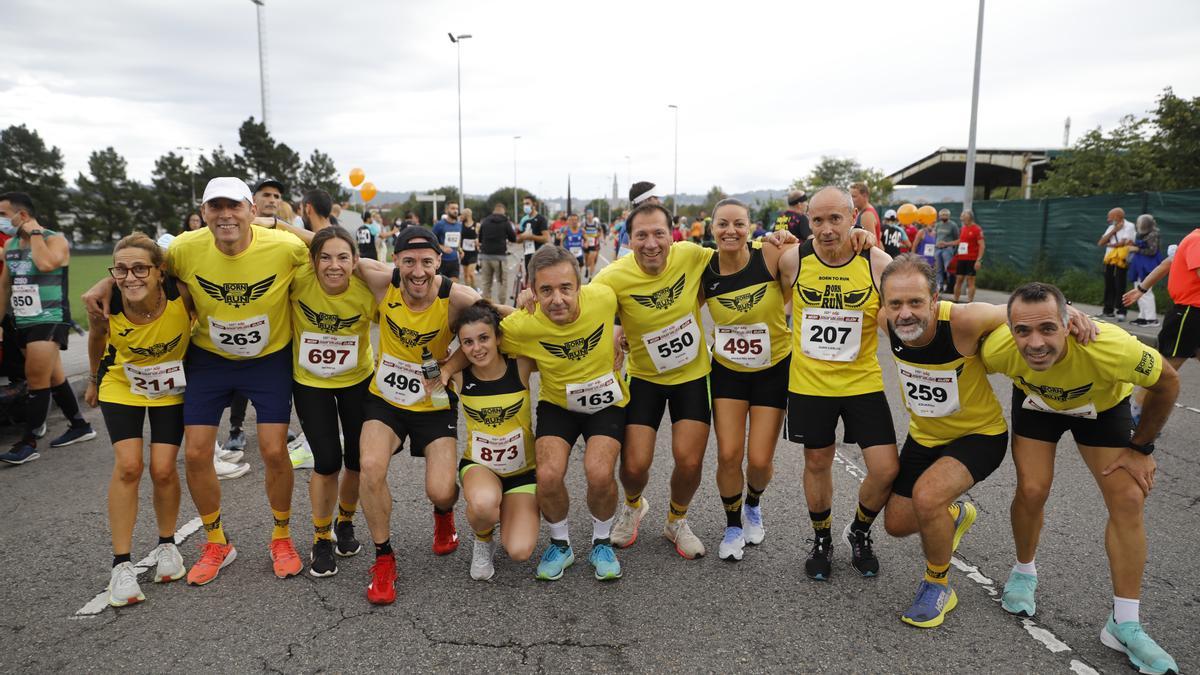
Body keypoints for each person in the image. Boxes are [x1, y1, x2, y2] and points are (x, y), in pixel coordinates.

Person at [83, 177, 315, 586]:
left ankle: (281, 535)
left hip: (267, 360)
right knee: (195, 454)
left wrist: (283, 226)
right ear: (204, 213)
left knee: (275, 450)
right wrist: (107, 281)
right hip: (210, 359)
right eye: (215, 207)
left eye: (234, 206)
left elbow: (331, 247)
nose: (225, 215)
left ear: (251, 210)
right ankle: (216, 540)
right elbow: (141, 268)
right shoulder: (186, 248)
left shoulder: (282, 246)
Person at [983, 282, 1180, 675]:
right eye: (1023, 331)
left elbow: (1168, 382)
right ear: (1010, 329)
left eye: (1047, 329)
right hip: (1037, 406)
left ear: (1068, 323)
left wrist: (1141, 448)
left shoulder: (1112, 346)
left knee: (1128, 498)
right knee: (1032, 488)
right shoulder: (998, 349)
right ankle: (1024, 572)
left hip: (1102, 408)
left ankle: (1124, 623)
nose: (1035, 342)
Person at [877, 254, 1008, 627]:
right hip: (925, 436)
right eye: (895, 303)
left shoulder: (965, 320)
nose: (905, 314)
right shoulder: (885, 321)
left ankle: (938, 585)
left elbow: (1022, 311)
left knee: (927, 497)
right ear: (884, 304)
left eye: (916, 302)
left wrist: (1070, 314)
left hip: (979, 435)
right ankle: (956, 515)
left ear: (935, 299)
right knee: (897, 525)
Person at [354, 226, 483, 605]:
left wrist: (449, 365)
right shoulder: (380, 281)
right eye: (408, 261)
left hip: (434, 402)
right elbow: (327, 245)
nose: (418, 271)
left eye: (426, 261)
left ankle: (444, 515)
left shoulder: (458, 298)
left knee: (441, 490)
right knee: (370, 466)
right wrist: (274, 225)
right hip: (387, 400)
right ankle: (383, 558)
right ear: (395, 261)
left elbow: (492, 330)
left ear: (439, 262)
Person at [777, 186, 896, 580]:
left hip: (862, 381)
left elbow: (902, 312)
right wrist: (772, 238)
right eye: (818, 220)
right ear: (808, 221)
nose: (827, 229)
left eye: (835, 219)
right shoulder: (792, 259)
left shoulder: (877, 262)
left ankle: (859, 531)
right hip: (810, 384)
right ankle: (822, 537)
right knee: (816, 461)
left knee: (884, 470)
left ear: (853, 218)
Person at [501, 246, 628, 580]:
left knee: (600, 473)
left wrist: (622, 333)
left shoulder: (603, 297)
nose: (557, 299)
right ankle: (561, 545)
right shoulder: (523, 324)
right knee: (547, 475)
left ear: (579, 285)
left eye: (565, 288)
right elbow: (484, 334)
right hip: (558, 404)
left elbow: (637, 305)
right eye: (546, 290)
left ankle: (602, 542)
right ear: (532, 290)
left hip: (606, 402)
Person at [84, 233, 193, 605]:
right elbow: (97, 339)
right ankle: (121, 565)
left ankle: (167, 545)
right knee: (129, 466)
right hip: (121, 383)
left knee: (163, 469)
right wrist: (93, 378)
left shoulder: (182, 294)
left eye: (140, 268)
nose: (130, 277)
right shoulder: (105, 301)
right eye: (121, 269)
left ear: (159, 271)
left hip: (170, 385)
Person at [702, 199, 792, 561]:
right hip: (728, 372)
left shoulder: (770, 254)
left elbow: (814, 259)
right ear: (712, 229)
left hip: (773, 368)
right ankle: (733, 524)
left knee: (758, 461)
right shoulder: (704, 269)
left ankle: (753, 502)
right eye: (723, 224)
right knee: (728, 454)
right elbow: (675, 311)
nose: (731, 231)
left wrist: (790, 238)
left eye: (739, 224)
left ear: (751, 227)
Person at [289, 227, 377, 577]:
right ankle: (321, 536)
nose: (334, 265)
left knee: (356, 458)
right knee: (326, 461)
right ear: (313, 261)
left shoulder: (368, 289)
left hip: (357, 380)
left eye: (343, 257)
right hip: (310, 382)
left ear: (356, 262)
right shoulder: (298, 279)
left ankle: (346, 521)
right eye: (325, 257)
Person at [0, 192, 95, 466]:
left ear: (23, 215)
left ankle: (28, 442)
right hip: (23, 321)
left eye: (4, 215)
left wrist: (36, 234)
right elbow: (5, 287)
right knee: (54, 377)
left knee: (36, 379)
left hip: (50, 318)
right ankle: (80, 426)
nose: (2, 221)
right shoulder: (12, 245)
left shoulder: (55, 239)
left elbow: (45, 264)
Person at [450, 301, 539, 581]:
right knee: (484, 503)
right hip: (480, 466)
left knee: (519, 551)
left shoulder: (521, 365)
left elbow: (539, 330)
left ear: (499, 337)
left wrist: (500, 308)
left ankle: (508, 512)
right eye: (468, 342)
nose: (477, 348)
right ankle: (483, 538)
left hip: (522, 472)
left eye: (484, 338)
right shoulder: (457, 375)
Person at [1098, 207, 1135, 321]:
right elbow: (1101, 242)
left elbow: (1124, 243)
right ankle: (1108, 310)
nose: (1108, 219)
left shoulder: (1129, 226)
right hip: (1110, 259)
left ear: (1117, 216)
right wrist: (1113, 231)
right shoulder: (1111, 227)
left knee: (1120, 284)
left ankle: (1121, 310)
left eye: (1110, 217)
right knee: (1109, 283)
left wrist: (1109, 244)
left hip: (1121, 259)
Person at [1126, 214, 1163, 326]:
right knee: (1138, 290)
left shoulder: (1153, 234)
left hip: (1147, 267)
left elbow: (1152, 251)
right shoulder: (1144, 234)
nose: (1138, 225)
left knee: (1146, 291)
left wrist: (1136, 249)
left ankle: (1151, 318)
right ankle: (1142, 316)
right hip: (1139, 266)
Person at [477, 203, 517, 304]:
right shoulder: (505, 222)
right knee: (502, 282)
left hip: (485, 256)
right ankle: (501, 307)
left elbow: (480, 238)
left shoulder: (485, 221)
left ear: (494, 210)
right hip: (500, 258)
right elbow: (513, 238)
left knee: (486, 283)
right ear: (503, 211)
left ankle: (487, 308)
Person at [951, 210, 985, 303]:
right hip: (961, 258)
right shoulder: (963, 228)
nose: (961, 217)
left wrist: (979, 260)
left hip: (972, 259)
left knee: (970, 280)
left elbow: (982, 245)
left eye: (963, 215)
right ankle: (955, 301)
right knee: (959, 279)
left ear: (969, 217)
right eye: (961, 215)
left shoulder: (977, 229)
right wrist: (946, 243)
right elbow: (960, 241)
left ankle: (970, 302)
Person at [517, 196, 550, 277]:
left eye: (527, 203)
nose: (525, 206)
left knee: (540, 278)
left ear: (534, 204)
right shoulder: (523, 220)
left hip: (540, 254)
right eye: (524, 204)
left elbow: (546, 238)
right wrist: (522, 237)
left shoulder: (541, 219)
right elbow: (518, 239)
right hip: (527, 253)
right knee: (529, 278)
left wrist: (531, 237)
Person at [432, 201, 464, 282]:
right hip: (441, 261)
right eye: (453, 208)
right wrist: (442, 247)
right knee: (440, 286)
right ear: (446, 210)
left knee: (453, 286)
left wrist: (460, 250)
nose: (455, 211)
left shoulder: (459, 225)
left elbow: (457, 242)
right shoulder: (439, 225)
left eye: (457, 208)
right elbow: (431, 240)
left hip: (454, 260)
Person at [933, 209, 960, 293]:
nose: (943, 216)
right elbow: (935, 236)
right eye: (942, 215)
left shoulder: (953, 225)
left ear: (949, 216)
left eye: (945, 215)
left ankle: (950, 286)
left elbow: (957, 238)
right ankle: (939, 286)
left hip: (947, 250)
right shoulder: (938, 225)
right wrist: (936, 243)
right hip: (938, 249)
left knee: (948, 268)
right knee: (938, 269)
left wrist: (947, 244)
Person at [850, 181, 882, 246]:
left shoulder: (867, 215)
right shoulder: (864, 212)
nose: (851, 199)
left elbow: (872, 244)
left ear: (865, 196)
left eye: (854, 196)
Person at [460, 207, 479, 289]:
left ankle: (475, 290)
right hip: (464, 252)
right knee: (465, 274)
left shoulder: (477, 225)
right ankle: (468, 291)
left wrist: (478, 241)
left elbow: (480, 237)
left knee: (471, 273)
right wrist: (459, 249)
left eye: (462, 214)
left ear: (467, 215)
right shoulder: (461, 225)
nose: (461, 216)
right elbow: (459, 238)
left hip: (473, 252)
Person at [583, 210, 602, 280]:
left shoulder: (596, 223)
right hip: (586, 244)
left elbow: (600, 231)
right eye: (588, 215)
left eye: (590, 215)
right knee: (586, 260)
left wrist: (597, 236)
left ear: (592, 216)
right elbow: (582, 232)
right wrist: (585, 239)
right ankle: (587, 269)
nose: (589, 216)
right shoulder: (584, 224)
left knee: (592, 260)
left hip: (594, 244)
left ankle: (590, 277)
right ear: (586, 216)